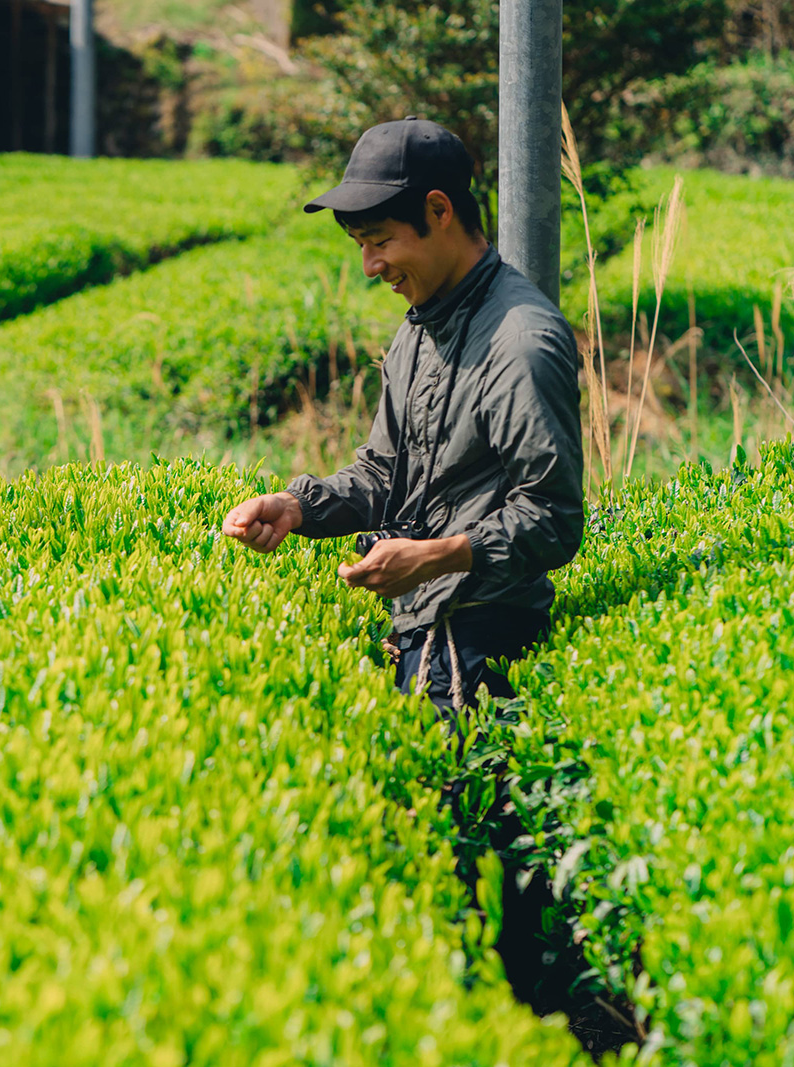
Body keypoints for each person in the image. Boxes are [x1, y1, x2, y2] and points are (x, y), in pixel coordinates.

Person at [221, 117, 584, 709]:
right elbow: (382, 474)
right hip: (423, 631)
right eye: (360, 245)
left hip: (479, 640)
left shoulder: (520, 340)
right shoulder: (422, 325)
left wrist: (440, 554)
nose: (369, 266)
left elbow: (555, 515)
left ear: (439, 211)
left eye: (381, 240)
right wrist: (292, 508)